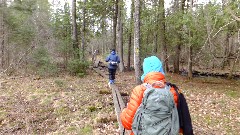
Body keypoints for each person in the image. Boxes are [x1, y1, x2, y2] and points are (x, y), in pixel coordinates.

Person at [120, 56, 193, 135]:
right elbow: (180, 123)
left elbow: (128, 124)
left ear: (145, 71)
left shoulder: (139, 91)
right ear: (161, 69)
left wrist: (124, 111)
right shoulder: (173, 91)